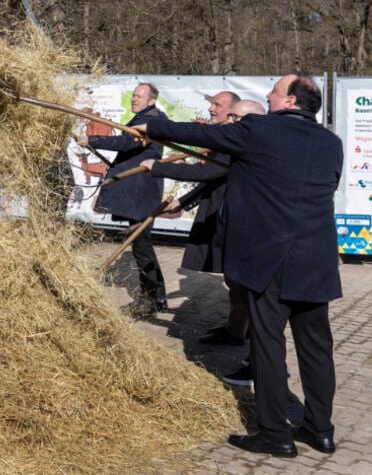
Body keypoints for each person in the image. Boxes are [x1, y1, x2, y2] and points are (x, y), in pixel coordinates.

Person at [136, 74, 343, 458]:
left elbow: (203, 136)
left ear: (291, 102)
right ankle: (320, 429)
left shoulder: (259, 130)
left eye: (275, 91)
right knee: (316, 349)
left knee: (267, 344)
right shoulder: (332, 143)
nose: (268, 94)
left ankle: (274, 434)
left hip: (270, 262)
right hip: (317, 261)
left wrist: (151, 126)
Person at [145, 97, 267, 387]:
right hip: (229, 218)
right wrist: (183, 201)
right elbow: (212, 179)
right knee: (234, 284)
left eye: (219, 107)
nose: (212, 110)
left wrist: (158, 166)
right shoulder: (230, 139)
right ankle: (235, 331)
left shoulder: (244, 140)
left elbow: (208, 172)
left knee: (248, 292)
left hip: (244, 224)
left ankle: (256, 358)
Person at [79, 82, 169, 314]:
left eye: (140, 96)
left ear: (151, 100)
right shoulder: (147, 116)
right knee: (141, 244)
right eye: (134, 96)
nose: (134, 99)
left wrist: (93, 140)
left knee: (140, 245)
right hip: (139, 193)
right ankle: (156, 297)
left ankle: (151, 299)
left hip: (141, 194)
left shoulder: (153, 119)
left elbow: (127, 142)